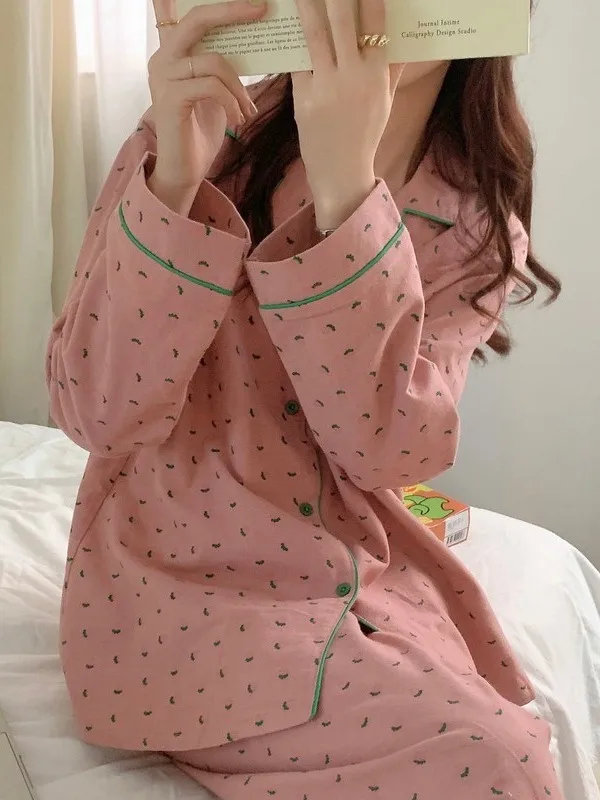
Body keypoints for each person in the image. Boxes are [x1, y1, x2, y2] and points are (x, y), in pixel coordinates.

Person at [47, 0, 564, 797]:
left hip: (349, 574)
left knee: (508, 748)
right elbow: (93, 411)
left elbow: (385, 453)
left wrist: (346, 193)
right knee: (500, 763)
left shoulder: (469, 222)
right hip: (173, 581)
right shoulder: (195, 134)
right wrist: (174, 182)